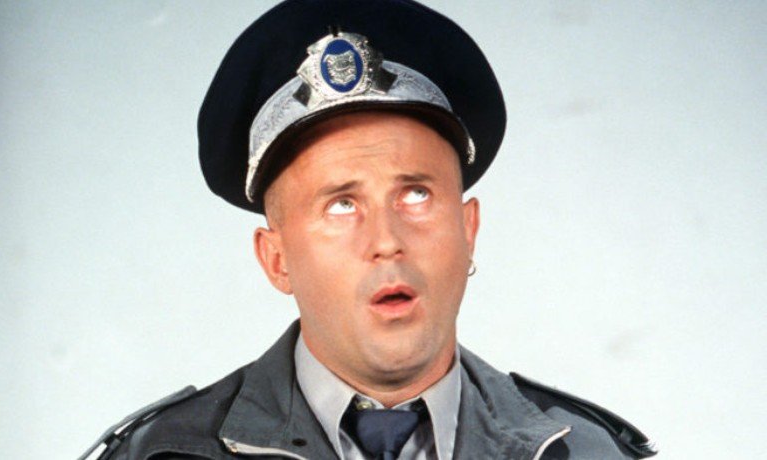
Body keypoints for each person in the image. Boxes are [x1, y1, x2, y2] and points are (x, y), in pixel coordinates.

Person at [81, 0, 657, 459]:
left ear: (468, 229)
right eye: (341, 206)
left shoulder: (588, 453)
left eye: (415, 194)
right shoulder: (163, 454)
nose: (386, 241)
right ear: (276, 260)